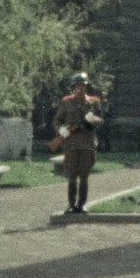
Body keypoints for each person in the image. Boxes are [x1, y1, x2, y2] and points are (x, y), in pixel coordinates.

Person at [53, 73, 103, 213]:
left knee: (84, 175)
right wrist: (61, 130)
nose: (80, 88)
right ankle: (71, 204)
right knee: (71, 175)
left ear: (86, 86)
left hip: (87, 143)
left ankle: (82, 204)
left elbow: (101, 120)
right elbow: (57, 120)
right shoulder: (67, 101)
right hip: (71, 143)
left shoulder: (94, 102)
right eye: (77, 86)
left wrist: (92, 118)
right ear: (74, 87)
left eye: (82, 85)